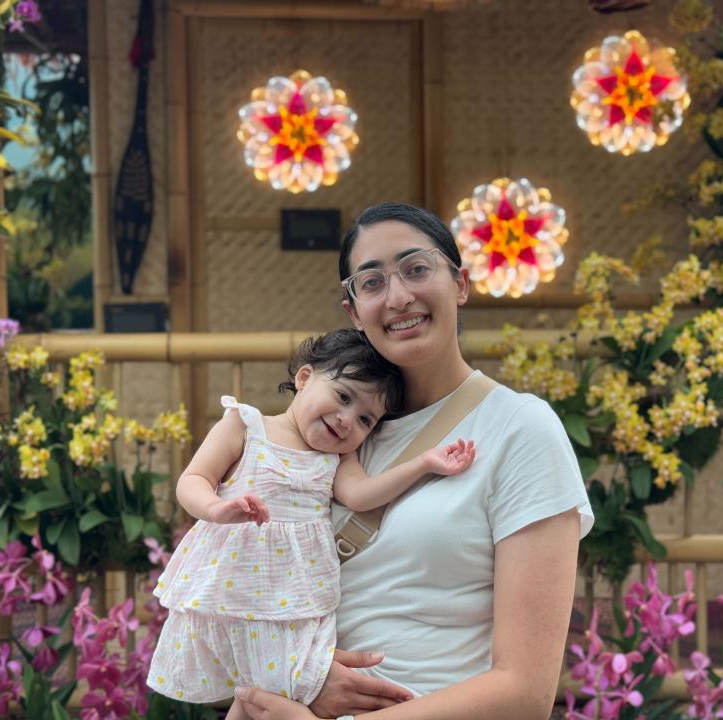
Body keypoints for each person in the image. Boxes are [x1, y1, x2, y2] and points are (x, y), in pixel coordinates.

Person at [233, 203, 594, 720]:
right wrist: (300, 672)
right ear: (354, 312)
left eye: (417, 269)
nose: (398, 297)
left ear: (461, 285)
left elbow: (525, 692)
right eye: (372, 282)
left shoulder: (520, 429)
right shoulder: (335, 437)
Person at [147, 329, 477, 719]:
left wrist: (424, 464)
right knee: (253, 691)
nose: (346, 420)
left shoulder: (336, 458)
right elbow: (192, 480)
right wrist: (217, 508)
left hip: (298, 598)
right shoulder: (246, 426)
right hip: (236, 586)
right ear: (304, 379)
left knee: (271, 694)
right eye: (342, 397)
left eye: (365, 419)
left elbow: (362, 495)